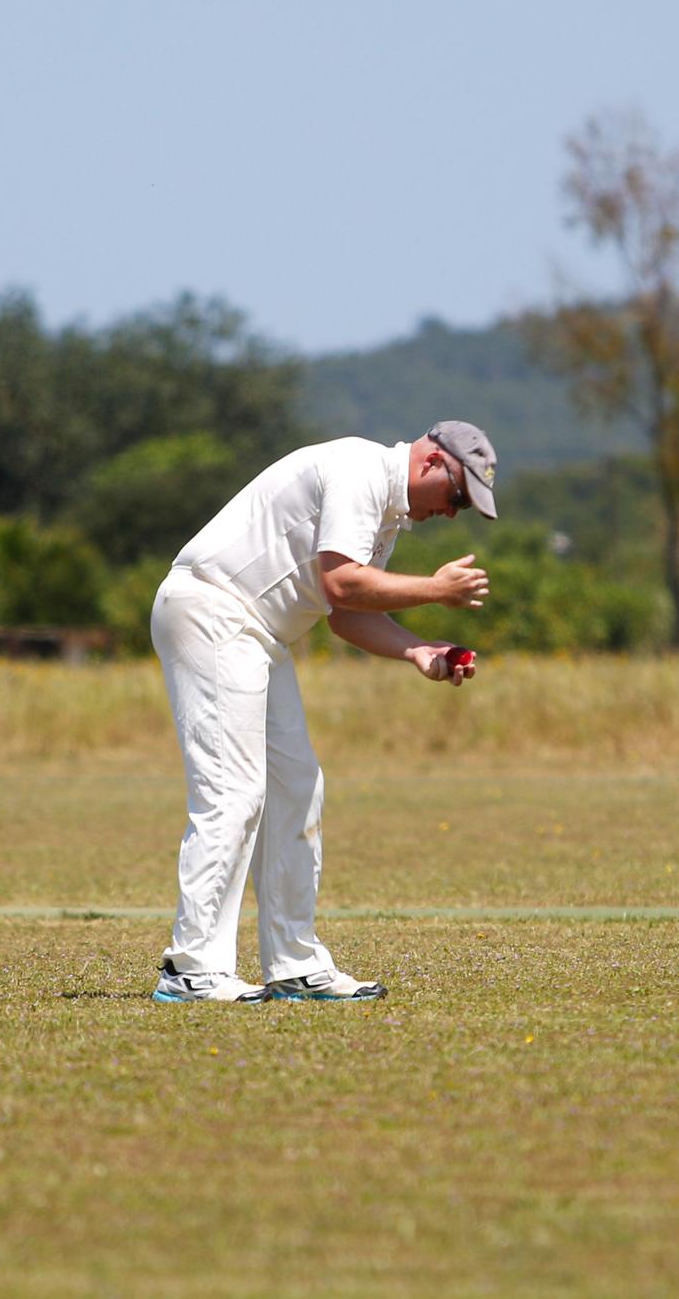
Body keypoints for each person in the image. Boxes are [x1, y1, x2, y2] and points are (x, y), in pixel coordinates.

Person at [150, 421, 498, 1002]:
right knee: (234, 791)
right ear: (433, 463)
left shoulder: (386, 511)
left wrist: (417, 648)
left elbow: (345, 613)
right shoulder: (358, 472)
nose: (454, 513)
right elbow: (342, 586)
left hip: (257, 633)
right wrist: (437, 590)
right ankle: (191, 967)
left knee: (298, 788)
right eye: (458, 496)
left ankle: (293, 962)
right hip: (212, 610)